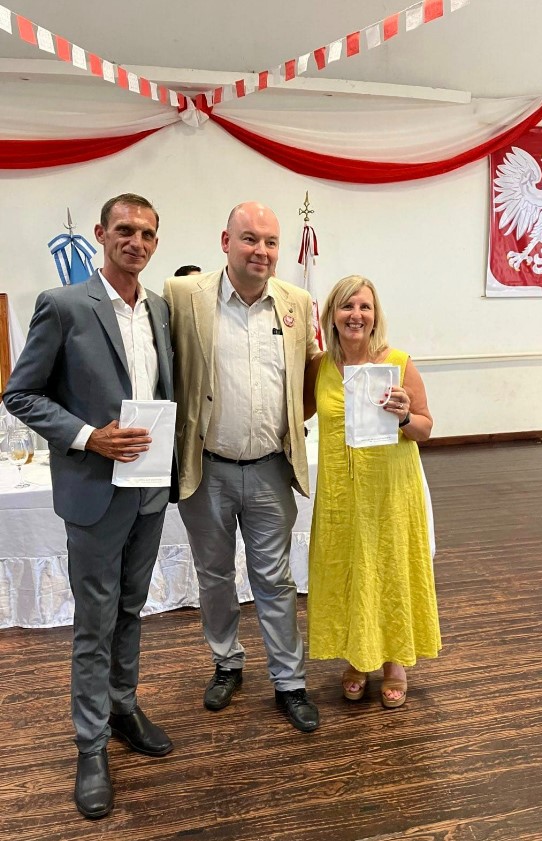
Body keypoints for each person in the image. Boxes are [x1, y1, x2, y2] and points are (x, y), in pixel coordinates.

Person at [3, 193, 177, 820]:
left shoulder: (160, 310)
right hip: (94, 489)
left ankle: (123, 705)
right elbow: (20, 394)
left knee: (132, 608)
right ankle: (90, 744)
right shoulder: (65, 305)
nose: (136, 242)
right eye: (125, 230)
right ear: (101, 235)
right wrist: (87, 436)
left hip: (149, 489)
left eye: (148, 233)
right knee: (93, 622)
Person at [164, 202, 321, 732]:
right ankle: (227, 662)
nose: (262, 251)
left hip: (272, 468)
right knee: (214, 575)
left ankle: (289, 682)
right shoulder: (183, 295)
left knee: (275, 578)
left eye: (271, 242)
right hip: (206, 469)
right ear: (225, 241)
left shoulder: (297, 302)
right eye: (250, 238)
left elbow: (310, 377)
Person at [304, 275, 441, 709]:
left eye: (364, 307)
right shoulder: (320, 367)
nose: (356, 315)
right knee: (349, 571)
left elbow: (425, 428)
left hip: (389, 492)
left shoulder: (398, 362)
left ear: (375, 315)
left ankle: (395, 662)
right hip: (341, 495)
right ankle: (357, 657)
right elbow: (294, 412)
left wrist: (404, 417)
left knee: (390, 569)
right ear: (332, 315)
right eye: (347, 306)